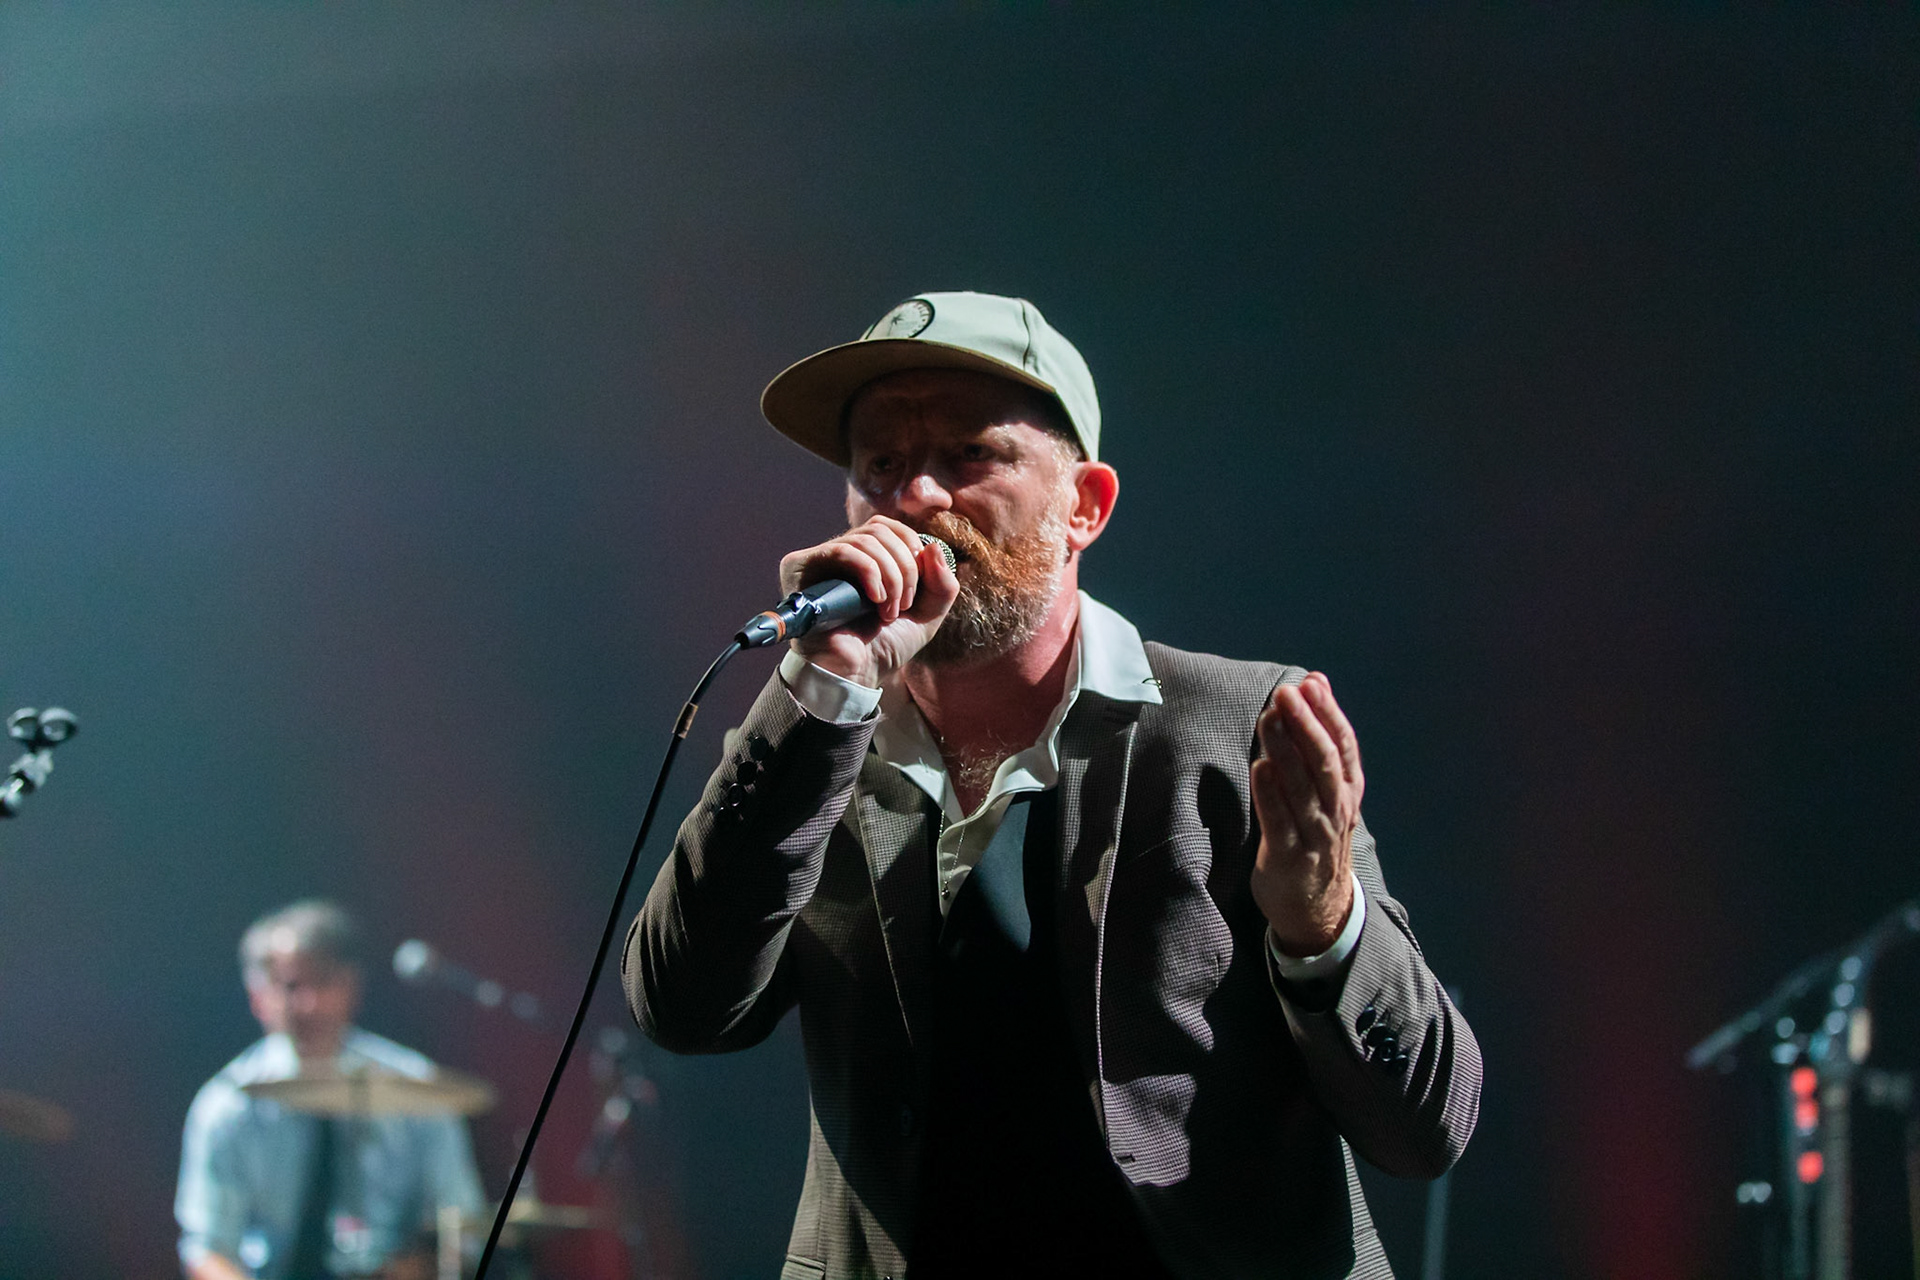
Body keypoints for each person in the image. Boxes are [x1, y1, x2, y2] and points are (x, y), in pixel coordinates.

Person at [624, 291, 1482, 1279]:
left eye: (967, 455)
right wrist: (822, 688)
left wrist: (1324, 924)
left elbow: (1428, 1125)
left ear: (1086, 506)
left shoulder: (1239, 725)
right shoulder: (816, 741)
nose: (917, 496)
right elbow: (682, 1007)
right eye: (882, 465)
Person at [176, 900, 485, 1280]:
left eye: (323, 982)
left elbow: (462, 1229)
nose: (309, 1004)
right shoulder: (226, 1104)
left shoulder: (417, 1086)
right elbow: (207, 1248)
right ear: (257, 996)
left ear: (352, 987)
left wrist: (417, 1267)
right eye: (291, 986)